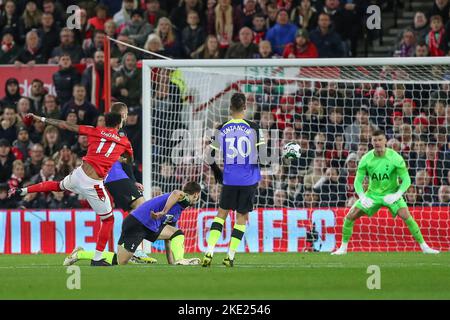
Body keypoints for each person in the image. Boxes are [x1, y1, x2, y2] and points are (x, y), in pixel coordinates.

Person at [9, 112, 134, 266]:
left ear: (105, 123)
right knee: (108, 219)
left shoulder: (94, 130)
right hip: (93, 183)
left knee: (59, 185)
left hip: (79, 174)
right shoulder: (125, 142)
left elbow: (65, 125)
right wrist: (120, 157)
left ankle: (23, 190)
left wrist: (40, 118)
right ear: (119, 124)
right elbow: (129, 160)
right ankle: (97, 259)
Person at [332, 130, 440, 255]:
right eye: (375, 140)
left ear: (385, 141)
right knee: (350, 216)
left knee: (406, 216)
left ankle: (425, 247)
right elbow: (357, 181)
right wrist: (362, 197)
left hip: (392, 193)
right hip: (372, 195)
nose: (377, 142)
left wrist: (397, 195)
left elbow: (407, 180)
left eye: (380, 140)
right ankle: (343, 248)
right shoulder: (365, 159)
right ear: (371, 142)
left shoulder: (395, 157)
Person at [63, 182, 202, 266]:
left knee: (176, 233)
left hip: (148, 225)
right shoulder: (182, 198)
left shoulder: (178, 210)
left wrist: (172, 262)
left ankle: (79, 254)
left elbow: (170, 238)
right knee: (120, 260)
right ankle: (81, 254)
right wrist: (163, 212)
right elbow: (177, 193)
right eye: (198, 196)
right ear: (196, 194)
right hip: (137, 222)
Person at [202, 93, 265, 267]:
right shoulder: (254, 128)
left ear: (230, 109)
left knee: (221, 215)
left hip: (229, 179)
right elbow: (264, 158)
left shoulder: (221, 128)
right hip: (248, 180)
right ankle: (230, 256)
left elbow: (209, 156)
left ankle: (209, 251)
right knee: (241, 218)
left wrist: (217, 172)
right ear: (245, 108)